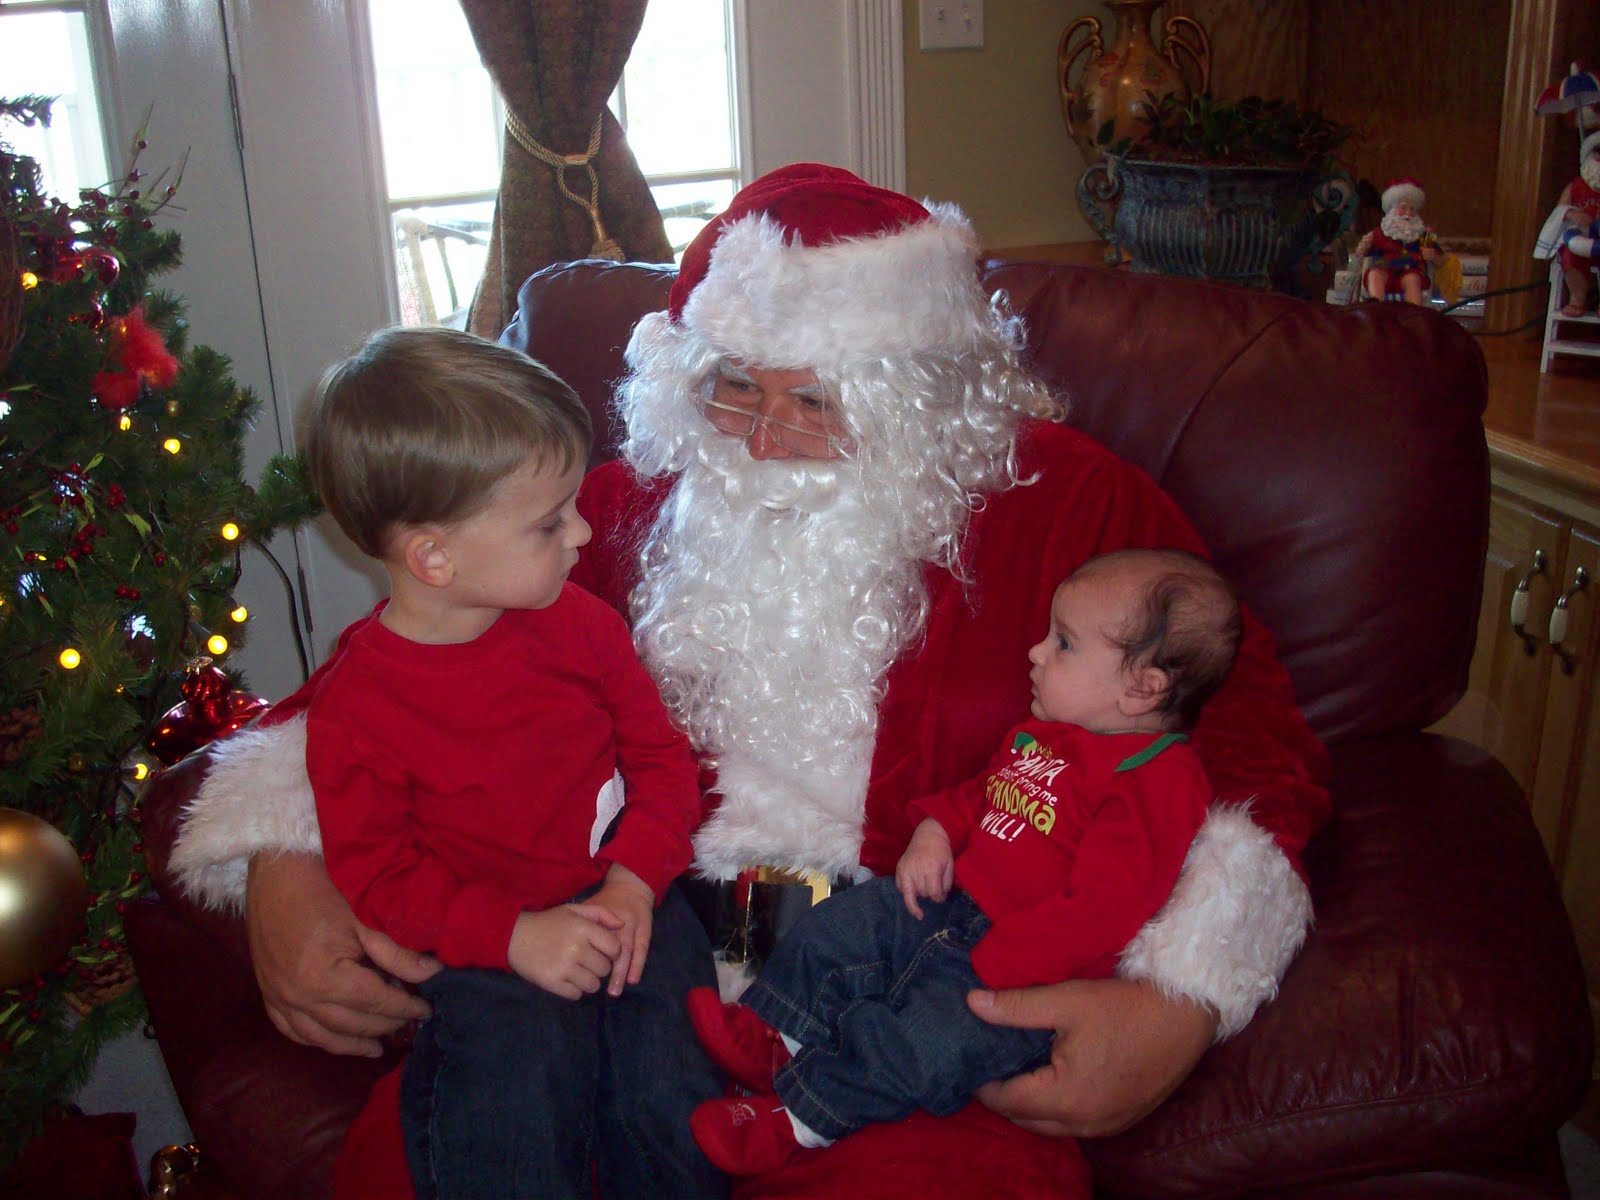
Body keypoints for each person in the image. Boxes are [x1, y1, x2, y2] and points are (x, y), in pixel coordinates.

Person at [171, 163, 1329, 1200]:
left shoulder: (1072, 507)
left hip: (902, 973)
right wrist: (286, 864)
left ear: (910, 394)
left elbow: (1249, 734)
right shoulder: (600, 516)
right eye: (732, 386)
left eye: (813, 400)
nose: (762, 438)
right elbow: (383, 679)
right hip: (630, 936)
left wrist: (1181, 998)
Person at [298, 326, 726, 1200]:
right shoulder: (356, 708)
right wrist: (512, 937)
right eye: (548, 521)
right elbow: (380, 877)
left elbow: (662, 766)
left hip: (628, 894)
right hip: (487, 936)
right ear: (434, 557)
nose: (583, 531)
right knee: (512, 1116)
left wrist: (633, 883)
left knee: (672, 1105)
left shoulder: (584, 626)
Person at [686, 549, 1240, 1182]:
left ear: (1142, 688)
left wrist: (1003, 964)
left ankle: (796, 1121)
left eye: (1064, 644)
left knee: (920, 1044)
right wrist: (934, 833)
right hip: (948, 900)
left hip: (1024, 973)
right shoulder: (1043, 736)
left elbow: (1105, 908)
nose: (1036, 652)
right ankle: (773, 1032)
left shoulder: (1159, 779)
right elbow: (980, 796)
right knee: (840, 927)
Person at [1534, 131, 1600, 316]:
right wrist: (1572, 214)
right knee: (1569, 255)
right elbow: (1559, 210)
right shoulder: (1575, 187)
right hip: (1579, 240)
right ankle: (1577, 298)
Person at [1353, 176, 1444, 306]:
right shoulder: (1380, 233)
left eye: (1412, 209)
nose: (1408, 213)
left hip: (1410, 272)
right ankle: (1375, 308)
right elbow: (1360, 254)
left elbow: (1440, 261)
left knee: (1412, 280)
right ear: (1393, 210)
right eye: (1403, 208)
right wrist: (1363, 246)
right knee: (1374, 274)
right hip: (1384, 270)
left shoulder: (1423, 235)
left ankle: (1413, 312)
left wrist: (1432, 256)